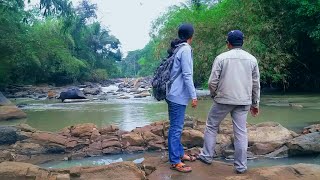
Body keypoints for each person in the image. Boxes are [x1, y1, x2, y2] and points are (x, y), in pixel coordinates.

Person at [198, 30, 260, 174]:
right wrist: (255, 104)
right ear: (242, 43)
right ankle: (241, 166)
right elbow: (256, 84)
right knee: (240, 132)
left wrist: (214, 95)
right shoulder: (252, 59)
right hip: (244, 101)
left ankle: (207, 156)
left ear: (228, 44)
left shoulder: (221, 58)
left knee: (212, 126)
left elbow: (212, 82)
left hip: (223, 99)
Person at [166, 23, 198, 173]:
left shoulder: (177, 48)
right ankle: (174, 161)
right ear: (191, 36)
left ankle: (179, 154)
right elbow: (187, 74)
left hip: (173, 93)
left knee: (176, 127)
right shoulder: (185, 49)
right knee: (176, 128)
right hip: (177, 94)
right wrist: (194, 95)